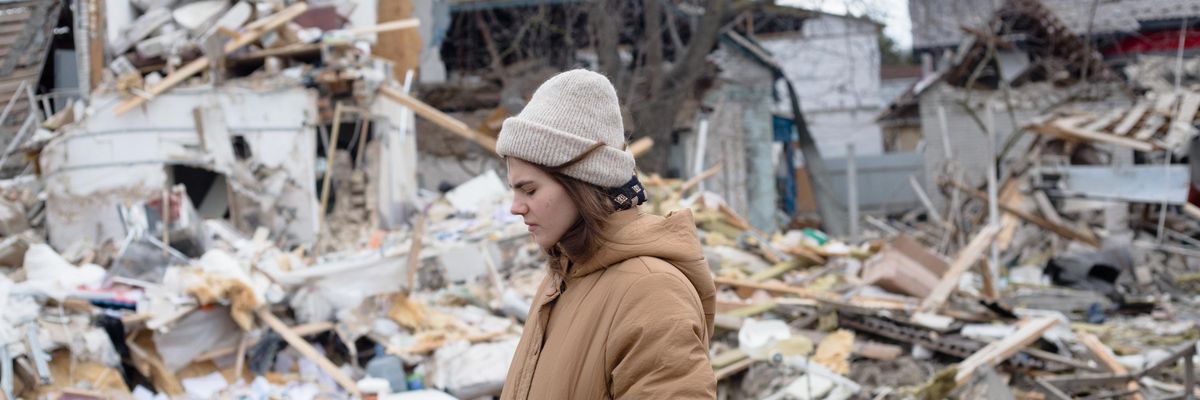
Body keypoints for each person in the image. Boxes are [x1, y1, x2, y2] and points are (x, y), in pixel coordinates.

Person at [497, 69, 717, 399]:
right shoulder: (564, 275)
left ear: (581, 184)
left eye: (529, 190)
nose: (516, 207)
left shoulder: (651, 291)